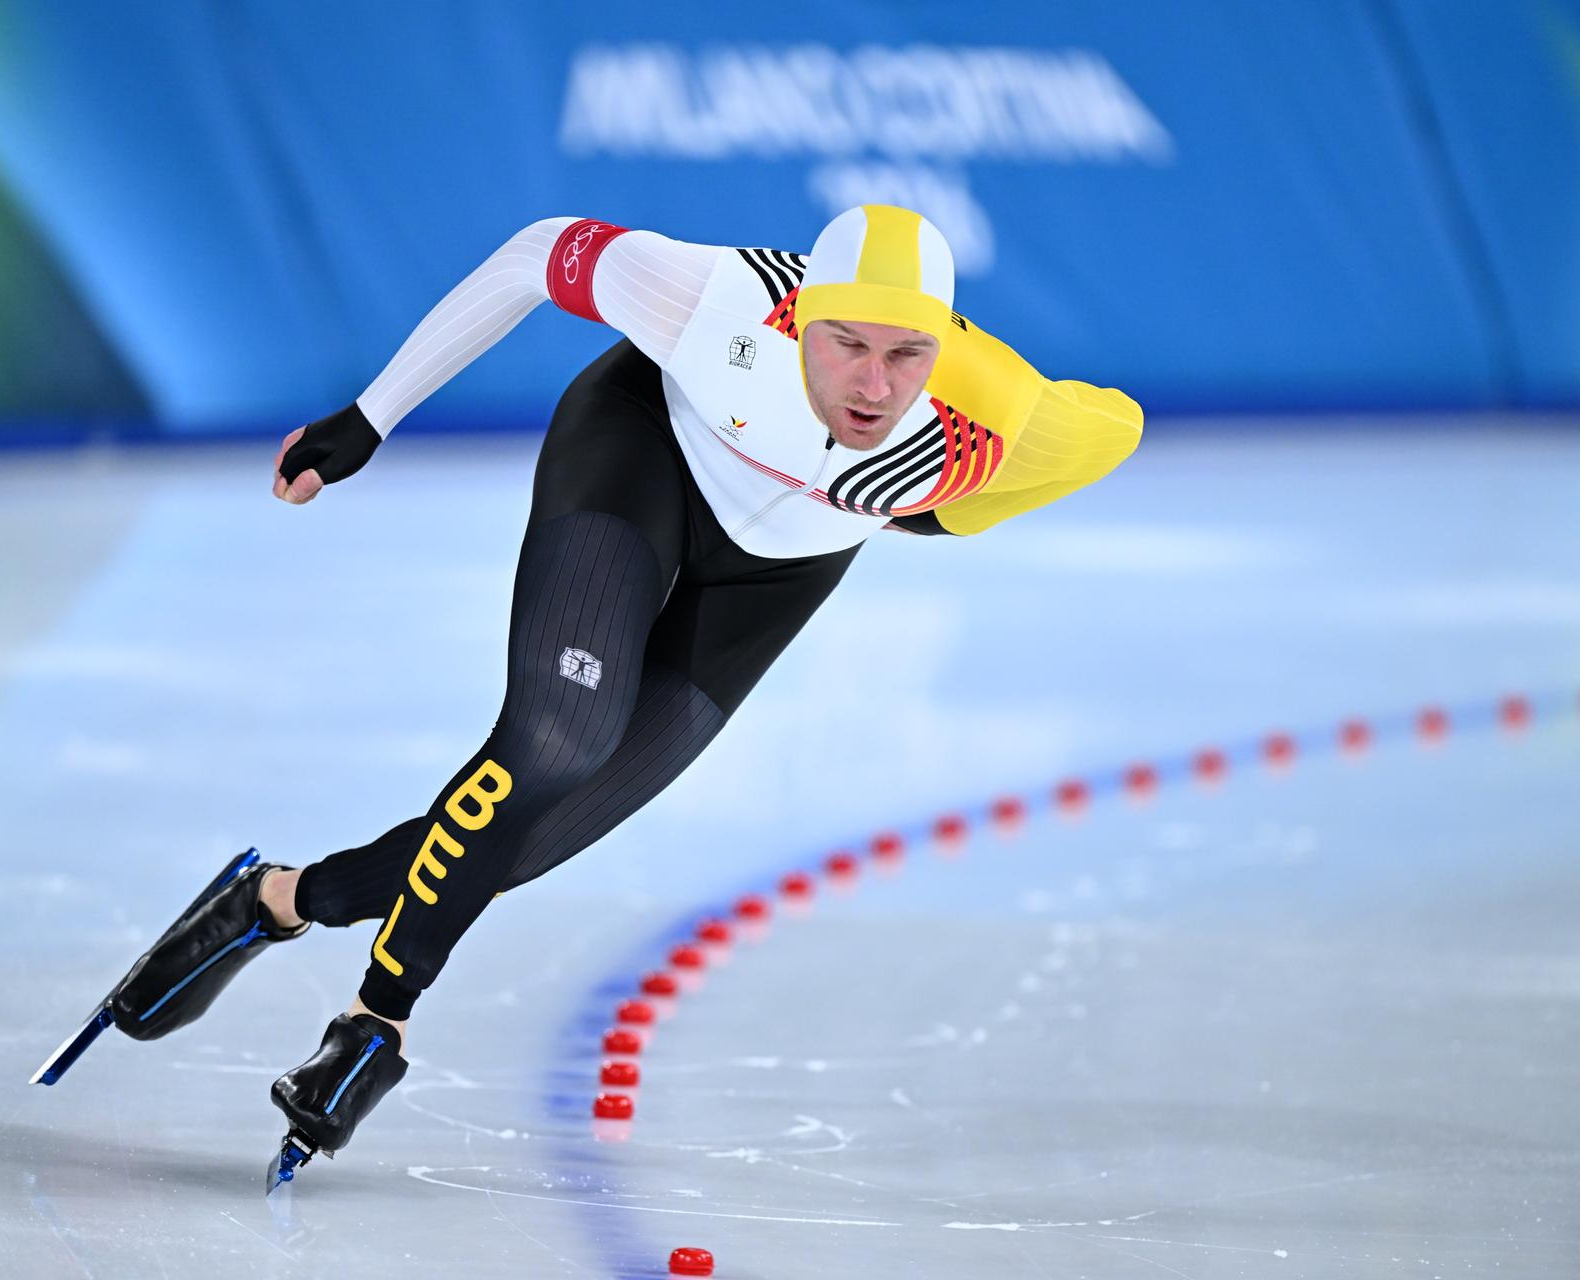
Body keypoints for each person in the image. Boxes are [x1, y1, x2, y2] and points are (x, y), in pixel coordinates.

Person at [84, 205, 1141, 1179]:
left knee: (540, 832)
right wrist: (370, 415)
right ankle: (378, 1019)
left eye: (908, 353)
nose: (874, 384)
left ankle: (274, 898)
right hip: (644, 451)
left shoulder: (995, 415)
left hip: (776, 570)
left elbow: (1113, 431)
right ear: (799, 316)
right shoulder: (711, 296)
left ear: (946, 345)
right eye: (848, 344)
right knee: (554, 740)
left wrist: (942, 512)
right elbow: (533, 254)